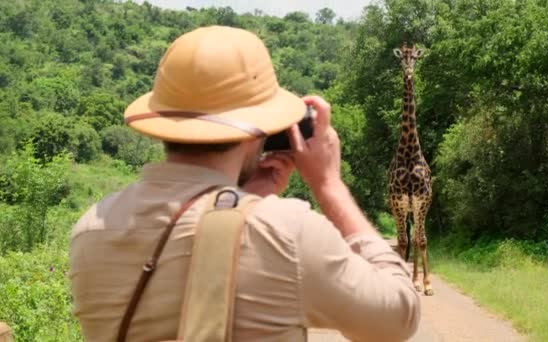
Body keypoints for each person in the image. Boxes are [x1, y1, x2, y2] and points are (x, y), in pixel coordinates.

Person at [69, 25, 421, 342]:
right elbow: (397, 318)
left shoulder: (91, 229)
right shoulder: (287, 232)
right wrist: (330, 186)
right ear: (261, 131)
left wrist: (237, 204)